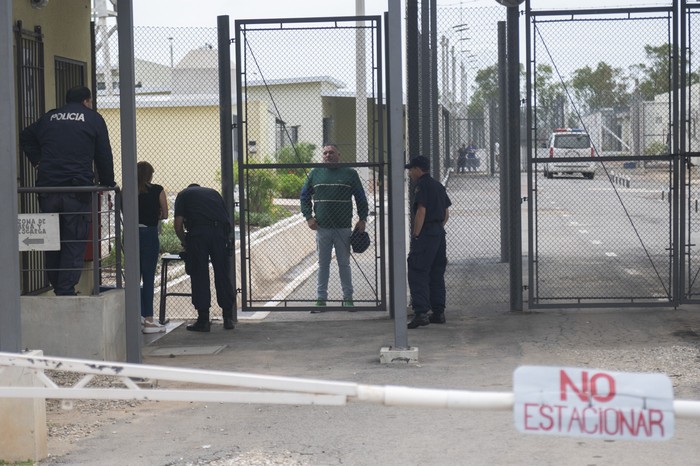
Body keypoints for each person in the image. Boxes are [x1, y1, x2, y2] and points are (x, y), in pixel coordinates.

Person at [20, 86, 115, 296]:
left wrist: (38, 162)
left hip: (48, 190)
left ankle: (56, 284)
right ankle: (65, 290)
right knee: (74, 239)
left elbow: (26, 135)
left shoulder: (49, 118)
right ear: (86, 101)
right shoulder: (93, 119)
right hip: (77, 190)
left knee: (51, 239)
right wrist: (108, 182)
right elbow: (103, 154)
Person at [300, 143, 368, 311]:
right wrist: (308, 217)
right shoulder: (315, 173)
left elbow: (360, 197)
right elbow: (304, 196)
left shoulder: (350, 174)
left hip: (343, 228)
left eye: (331, 152)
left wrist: (363, 218)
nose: (328, 155)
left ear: (339, 154)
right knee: (323, 264)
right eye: (325, 153)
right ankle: (321, 299)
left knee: (344, 264)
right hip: (322, 228)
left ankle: (348, 298)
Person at [174, 184, 235, 332]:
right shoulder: (213, 193)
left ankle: (203, 320)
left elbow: (178, 224)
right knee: (222, 273)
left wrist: (185, 241)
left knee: (199, 274)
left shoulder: (183, 195)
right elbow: (226, 218)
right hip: (219, 234)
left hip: (198, 234)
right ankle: (228, 318)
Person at [405, 155, 452, 329]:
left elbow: (421, 211)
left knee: (417, 270)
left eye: (411, 169)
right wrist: (437, 229)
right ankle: (438, 312)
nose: (410, 173)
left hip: (426, 234)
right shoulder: (438, 186)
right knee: (436, 273)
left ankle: (421, 312)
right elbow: (446, 213)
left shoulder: (421, 186)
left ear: (418, 169)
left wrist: (416, 234)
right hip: (439, 233)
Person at [137, 162, 168, 334]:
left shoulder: (128, 190)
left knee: (134, 277)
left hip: (132, 234)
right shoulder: (158, 190)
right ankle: (149, 319)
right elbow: (165, 213)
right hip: (149, 234)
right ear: (150, 175)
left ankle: (138, 316)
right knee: (148, 277)